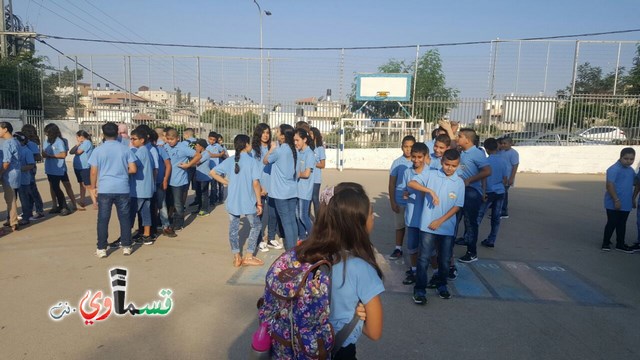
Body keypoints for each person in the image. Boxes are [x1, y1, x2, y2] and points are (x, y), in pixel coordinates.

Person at [296, 183, 384, 359]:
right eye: (370, 213)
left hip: (301, 344)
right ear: (357, 225)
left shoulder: (305, 252)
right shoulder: (361, 268)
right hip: (339, 349)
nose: (373, 217)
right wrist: (358, 319)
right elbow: (374, 332)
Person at [409, 149, 465, 303]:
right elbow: (412, 183)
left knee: (445, 259)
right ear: (442, 162)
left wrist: (440, 221)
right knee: (424, 258)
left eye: (453, 166)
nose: (449, 168)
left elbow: (457, 206)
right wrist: (430, 191)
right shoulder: (431, 174)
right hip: (427, 227)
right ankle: (419, 290)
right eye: (447, 164)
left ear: (458, 165)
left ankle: (442, 285)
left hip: (446, 228)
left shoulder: (459, 182)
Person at [210, 134, 264, 267]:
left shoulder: (230, 161)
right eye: (249, 143)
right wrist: (259, 202)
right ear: (246, 145)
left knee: (233, 229)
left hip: (233, 201)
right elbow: (256, 183)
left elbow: (212, 172)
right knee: (256, 226)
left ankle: (236, 256)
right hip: (248, 201)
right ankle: (249, 255)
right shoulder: (252, 162)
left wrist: (225, 182)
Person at [87, 122, 137, 258]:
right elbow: (133, 169)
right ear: (117, 133)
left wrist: (93, 187)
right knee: (124, 218)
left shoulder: (98, 150)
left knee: (103, 219)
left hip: (105, 188)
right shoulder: (125, 149)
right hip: (122, 187)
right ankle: (126, 246)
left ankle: (101, 248)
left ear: (103, 134)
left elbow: (93, 172)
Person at [456, 128, 491, 263]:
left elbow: (487, 171)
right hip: (459, 191)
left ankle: (472, 252)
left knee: (470, 223)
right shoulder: (462, 152)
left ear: (467, 139)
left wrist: (470, 180)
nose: (457, 138)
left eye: (460, 136)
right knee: (455, 219)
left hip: (470, 192)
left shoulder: (476, 153)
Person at [400, 142, 430, 285]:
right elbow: (406, 190)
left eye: (420, 157)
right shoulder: (407, 172)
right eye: (414, 157)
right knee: (412, 246)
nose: (416, 160)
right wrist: (406, 193)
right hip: (412, 216)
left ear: (425, 157)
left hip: (427, 218)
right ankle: (413, 270)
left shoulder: (432, 173)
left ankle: (434, 272)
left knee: (428, 248)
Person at [264, 124, 298, 250]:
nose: (276, 133)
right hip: (292, 190)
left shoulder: (279, 150)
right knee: (291, 220)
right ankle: (294, 248)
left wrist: (271, 148)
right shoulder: (294, 150)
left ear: (283, 136)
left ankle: (291, 251)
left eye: (278, 132)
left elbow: (265, 161)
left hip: (281, 192)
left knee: (286, 222)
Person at [250, 123, 281, 252]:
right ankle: (258, 240)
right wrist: (260, 187)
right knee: (260, 214)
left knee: (273, 213)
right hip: (260, 186)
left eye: (267, 132)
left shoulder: (274, 147)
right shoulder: (254, 150)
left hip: (273, 185)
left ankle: (271, 237)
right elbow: (254, 170)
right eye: (263, 132)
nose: (265, 135)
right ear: (258, 134)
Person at [163, 128, 201, 231]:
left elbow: (198, 155)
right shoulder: (165, 147)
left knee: (178, 203)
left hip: (178, 180)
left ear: (178, 138)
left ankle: (179, 223)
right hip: (167, 179)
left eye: (172, 139)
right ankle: (169, 219)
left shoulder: (183, 147)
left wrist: (188, 165)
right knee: (168, 202)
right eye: (168, 139)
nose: (170, 141)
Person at [602, 147, 635, 253]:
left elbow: (635, 183)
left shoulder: (631, 171)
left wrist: (633, 198)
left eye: (631, 159)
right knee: (612, 222)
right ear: (620, 157)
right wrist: (616, 200)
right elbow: (609, 185)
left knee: (622, 223)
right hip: (613, 202)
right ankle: (605, 243)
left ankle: (620, 244)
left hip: (626, 202)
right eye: (626, 158)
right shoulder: (613, 169)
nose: (629, 161)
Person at [388, 135, 416, 260]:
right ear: (401, 147)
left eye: (411, 147)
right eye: (406, 146)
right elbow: (392, 183)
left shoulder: (419, 162)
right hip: (400, 201)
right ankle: (398, 248)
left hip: (414, 201)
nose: (408, 149)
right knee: (400, 226)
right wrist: (392, 201)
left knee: (413, 227)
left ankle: (414, 250)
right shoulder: (397, 163)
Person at [477, 138, 508, 248]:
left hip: (489, 191)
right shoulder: (503, 161)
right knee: (496, 217)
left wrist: (483, 192)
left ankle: (471, 237)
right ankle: (492, 239)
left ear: (486, 149)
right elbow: (505, 179)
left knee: (479, 215)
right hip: (500, 192)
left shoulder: (486, 161)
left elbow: (484, 179)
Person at [128, 128, 156, 245]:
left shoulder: (140, 152)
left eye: (134, 139)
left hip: (139, 189)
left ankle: (125, 235)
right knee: (145, 212)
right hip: (146, 188)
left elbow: (133, 169)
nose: (132, 141)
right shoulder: (147, 151)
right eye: (131, 139)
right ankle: (146, 234)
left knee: (130, 213)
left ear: (142, 140)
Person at [42, 124, 72, 216]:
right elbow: (43, 153)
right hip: (49, 168)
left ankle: (64, 206)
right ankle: (57, 206)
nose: (46, 134)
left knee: (57, 187)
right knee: (53, 187)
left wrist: (51, 156)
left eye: (48, 132)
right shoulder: (46, 141)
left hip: (58, 168)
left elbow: (63, 155)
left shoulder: (59, 141)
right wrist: (45, 154)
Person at [294, 128, 315, 242]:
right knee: (297, 215)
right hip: (297, 190)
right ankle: (302, 237)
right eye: (294, 140)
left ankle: (313, 238)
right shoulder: (298, 152)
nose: (296, 143)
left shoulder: (309, 154)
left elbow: (306, 174)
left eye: (297, 140)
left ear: (305, 139)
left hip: (305, 191)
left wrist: (296, 174)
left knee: (303, 216)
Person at [0, 122, 22, 231]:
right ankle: (11, 220)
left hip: (9, 174)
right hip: (15, 172)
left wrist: (0, 172)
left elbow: (6, 162)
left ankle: (14, 222)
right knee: (10, 198)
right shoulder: (15, 141)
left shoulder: (7, 143)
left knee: (11, 199)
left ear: (5, 129)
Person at [21, 124, 45, 220]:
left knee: (32, 190)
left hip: (30, 168)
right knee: (28, 190)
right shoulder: (26, 142)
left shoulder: (31, 143)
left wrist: (28, 155)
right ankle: (28, 211)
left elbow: (38, 157)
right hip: (26, 167)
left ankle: (39, 211)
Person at [70, 130, 96, 209]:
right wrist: (77, 144)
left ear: (81, 137)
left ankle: (95, 202)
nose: (76, 138)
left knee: (88, 185)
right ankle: (82, 200)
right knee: (81, 184)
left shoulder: (87, 143)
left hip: (84, 167)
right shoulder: (80, 144)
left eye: (77, 137)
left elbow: (78, 152)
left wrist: (77, 146)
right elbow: (71, 152)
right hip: (78, 167)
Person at [14, 132, 36, 226]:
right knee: (12, 199)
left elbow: (31, 165)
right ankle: (11, 218)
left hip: (23, 180)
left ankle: (26, 217)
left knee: (24, 199)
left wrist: (19, 169)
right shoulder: (15, 150)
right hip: (14, 179)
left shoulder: (27, 151)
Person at [498, 136, 519, 219]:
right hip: (501, 177)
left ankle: (503, 211)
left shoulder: (513, 153)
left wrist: (511, 178)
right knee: (500, 193)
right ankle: (498, 210)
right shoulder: (501, 152)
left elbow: (515, 165)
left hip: (507, 177)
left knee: (504, 194)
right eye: (502, 143)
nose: (503, 145)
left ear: (510, 144)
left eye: (505, 143)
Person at [193, 139, 213, 216]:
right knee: (198, 193)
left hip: (205, 177)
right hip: (198, 177)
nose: (196, 147)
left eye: (197, 146)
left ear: (202, 147)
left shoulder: (206, 153)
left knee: (204, 194)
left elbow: (197, 162)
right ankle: (200, 208)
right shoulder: (200, 153)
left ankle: (205, 210)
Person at [310, 127, 326, 219]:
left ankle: (318, 219)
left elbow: (322, 165)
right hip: (308, 177)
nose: (310, 135)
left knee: (315, 198)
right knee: (308, 199)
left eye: (311, 134)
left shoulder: (320, 148)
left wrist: (313, 163)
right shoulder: (309, 147)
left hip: (316, 178)